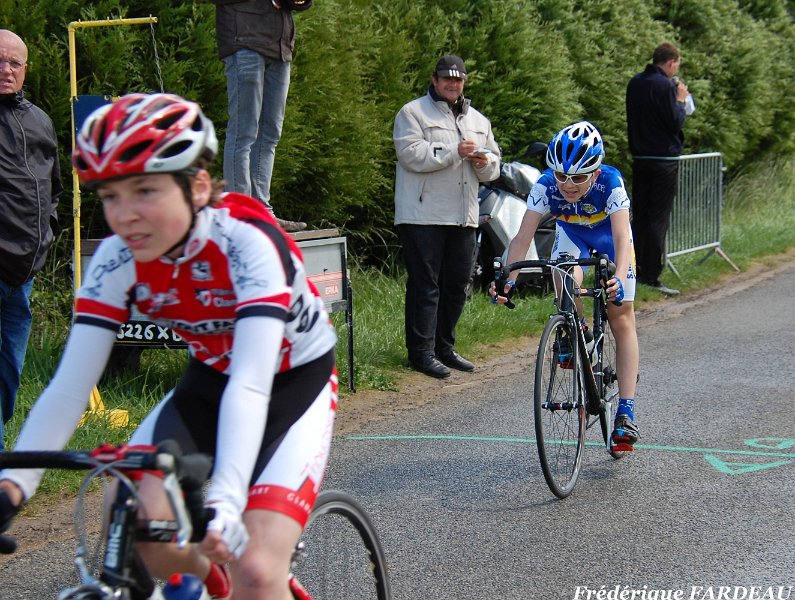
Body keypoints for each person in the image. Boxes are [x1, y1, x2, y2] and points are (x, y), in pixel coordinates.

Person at [0, 93, 338, 600]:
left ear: (197, 186)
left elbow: (250, 383)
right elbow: (70, 388)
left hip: (291, 382)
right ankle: (213, 583)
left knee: (257, 570)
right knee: (133, 514)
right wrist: (15, 486)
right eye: (110, 196)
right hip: (211, 377)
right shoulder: (117, 259)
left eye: (145, 191)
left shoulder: (247, 243)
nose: (125, 216)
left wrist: (226, 501)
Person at [492, 122, 640, 448]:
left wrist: (619, 276)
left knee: (621, 316)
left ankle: (626, 413)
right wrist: (507, 280)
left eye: (578, 178)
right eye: (561, 176)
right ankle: (578, 331)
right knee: (562, 272)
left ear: (595, 173)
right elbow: (522, 238)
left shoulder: (611, 183)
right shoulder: (545, 186)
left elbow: (622, 238)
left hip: (610, 239)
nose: (567, 185)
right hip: (572, 235)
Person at [393, 54, 500, 379]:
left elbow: (494, 165)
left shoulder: (479, 121)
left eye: (458, 79)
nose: (453, 84)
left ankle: (445, 348)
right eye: (447, 78)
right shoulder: (412, 113)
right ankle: (421, 354)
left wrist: (484, 163)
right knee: (426, 287)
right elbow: (410, 154)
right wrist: (454, 151)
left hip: (463, 216)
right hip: (422, 215)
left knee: (457, 285)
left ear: (464, 82)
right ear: (435, 80)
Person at [0, 29, 62, 451]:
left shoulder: (39, 120)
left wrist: (47, 234)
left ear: (26, 69)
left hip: (23, 276)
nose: (6, 70)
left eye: (14, 63)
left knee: (9, 373)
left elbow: (52, 188)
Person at [214, 0, 307, 233]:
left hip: (280, 47)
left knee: (270, 135)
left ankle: (262, 211)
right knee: (243, 132)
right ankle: (240, 213)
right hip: (244, 42)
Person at [626, 42, 691, 296]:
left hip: (640, 157)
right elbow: (674, 122)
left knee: (640, 215)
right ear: (671, 62)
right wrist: (680, 101)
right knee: (658, 217)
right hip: (664, 159)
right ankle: (651, 274)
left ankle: (634, 267)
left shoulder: (635, 83)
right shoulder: (666, 86)